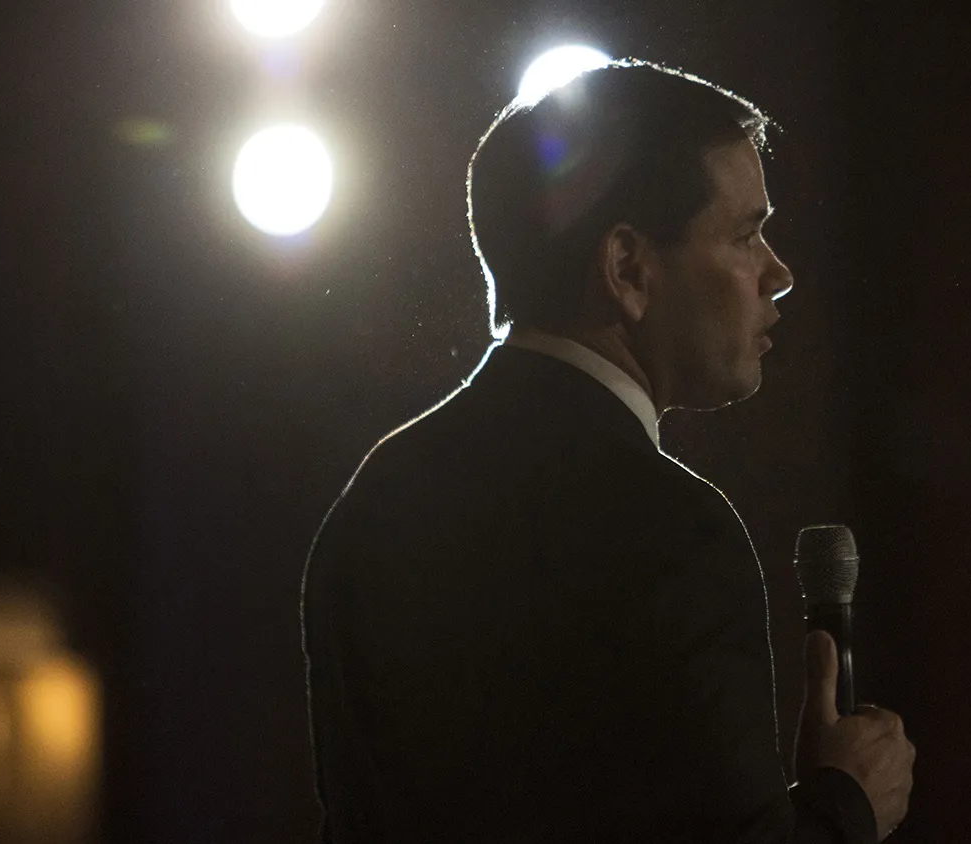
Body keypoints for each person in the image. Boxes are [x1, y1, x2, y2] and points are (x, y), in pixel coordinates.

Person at [301, 61, 915, 843]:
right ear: (628, 268)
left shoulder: (376, 499)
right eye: (745, 233)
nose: (779, 273)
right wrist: (845, 805)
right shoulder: (669, 531)